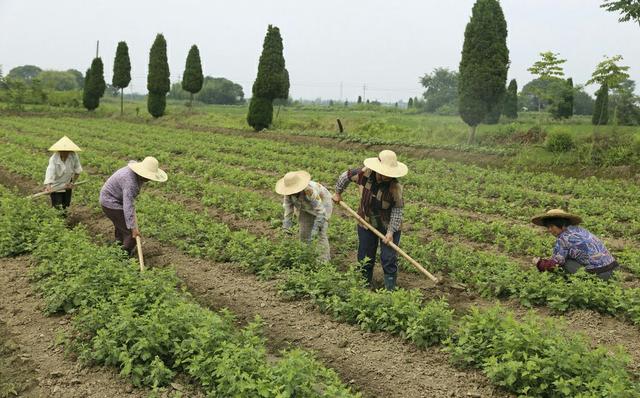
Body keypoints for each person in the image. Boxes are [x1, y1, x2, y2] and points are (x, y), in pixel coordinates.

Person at [332, 150, 407, 290]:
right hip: (365, 221)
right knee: (365, 255)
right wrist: (338, 192)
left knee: (388, 257)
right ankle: (364, 284)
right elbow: (345, 176)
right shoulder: (363, 174)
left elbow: (397, 211)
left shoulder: (395, 187)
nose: (387, 176)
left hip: (388, 225)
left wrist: (390, 232)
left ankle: (390, 289)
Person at [100, 157, 167, 255]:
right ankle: (123, 257)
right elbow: (128, 205)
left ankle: (117, 248)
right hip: (110, 202)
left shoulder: (136, 175)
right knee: (130, 234)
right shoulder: (130, 182)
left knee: (121, 227)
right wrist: (133, 228)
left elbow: (128, 202)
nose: (149, 179)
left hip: (114, 199)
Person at [532, 209, 619, 280]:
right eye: (548, 227)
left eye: (552, 226)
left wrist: (539, 263)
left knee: (565, 263)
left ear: (560, 224)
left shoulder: (564, 238)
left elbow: (555, 264)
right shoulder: (579, 230)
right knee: (568, 257)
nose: (549, 230)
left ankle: (586, 282)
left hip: (602, 275)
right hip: (615, 271)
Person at [276, 171, 333, 262]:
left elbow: (321, 212)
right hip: (305, 207)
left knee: (320, 233)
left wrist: (315, 228)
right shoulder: (288, 195)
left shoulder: (309, 191)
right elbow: (288, 212)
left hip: (323, 205)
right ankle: (306, 256)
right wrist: (286, 229)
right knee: (304, 231)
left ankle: (323, 261)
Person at [43, 136, 83, 213]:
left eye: (67, 151)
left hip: (67, 183)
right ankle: (57, 221)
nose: (65, 153)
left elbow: (77, 171)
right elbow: (50, 171)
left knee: (66, 204)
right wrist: (48, 186)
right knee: (57, 206)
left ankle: (63, 221)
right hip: (56, 184)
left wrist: (72, 183)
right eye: (63, 151)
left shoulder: (73, 155)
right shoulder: (54, 159)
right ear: (59, 151)